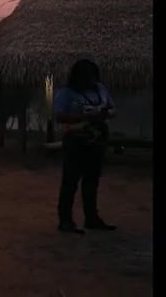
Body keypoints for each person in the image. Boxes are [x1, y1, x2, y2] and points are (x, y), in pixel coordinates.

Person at [53, 58, 117, 234]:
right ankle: (65, 220)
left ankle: (92, 218)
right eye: (88, 77)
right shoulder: (66, 93)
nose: (92, 80)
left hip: (96, 142)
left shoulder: (101, 90)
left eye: (94, 76)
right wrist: (86, 117)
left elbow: (113, 109)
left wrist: (105, 114)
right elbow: (59, 116)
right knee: (70, 182)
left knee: (91, 182)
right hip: (76, 142)